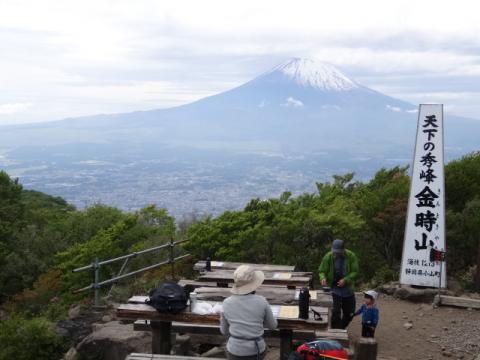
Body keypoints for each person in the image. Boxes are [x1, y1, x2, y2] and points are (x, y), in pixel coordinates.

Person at [220, 265, 278, 360]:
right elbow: (273, 326)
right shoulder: (262, 301)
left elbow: (224, 331)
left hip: (234, 350)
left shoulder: (226, 302)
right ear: (254, 284)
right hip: (255, 349)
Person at [318, 239, 359, 329]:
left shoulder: (351, 256)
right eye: (334, 252)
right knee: (335, 312)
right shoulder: (328, 256)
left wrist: (346, 280)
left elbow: (355, 272)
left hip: (348, 289)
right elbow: (322, 271)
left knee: (350, 313)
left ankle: (340, 329)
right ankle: (336, 332)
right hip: (334, 288)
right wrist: (323, 277)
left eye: (338, 252)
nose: (336, 254)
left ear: (343, 250)